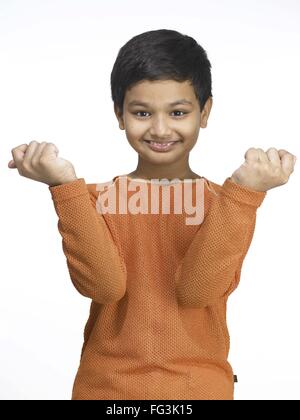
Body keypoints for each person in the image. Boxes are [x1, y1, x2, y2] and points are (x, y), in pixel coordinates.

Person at [8, 29, 296, 400]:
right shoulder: (90, 201)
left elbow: (197, 291)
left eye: (178, 112)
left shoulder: (226, 204)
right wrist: (64, 187)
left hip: (198, 392)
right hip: (107, 392)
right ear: (119, 114)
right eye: (142, 112)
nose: (160, 129)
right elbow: (103, 286)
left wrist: (246, 194)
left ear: (204, 112)